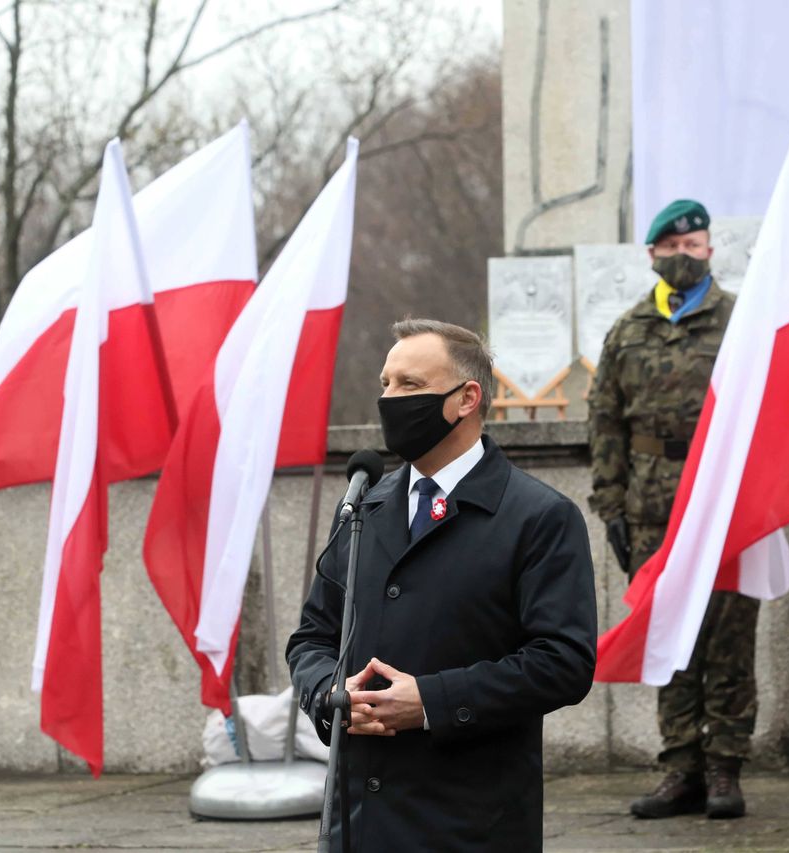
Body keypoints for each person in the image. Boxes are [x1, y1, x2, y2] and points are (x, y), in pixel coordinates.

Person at [287, 318, 598, 852]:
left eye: (409, 385)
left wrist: (431, 701)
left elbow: (563, 661)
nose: (389, 399)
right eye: (385, 383)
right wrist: (328, 694)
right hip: (359, 820)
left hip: (471, 823)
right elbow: (313, 637)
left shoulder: (538, 516)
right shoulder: (365, 506)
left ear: (466, 399)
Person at [588, 199, 759, 820]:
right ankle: (680, 767)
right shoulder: (627, 330)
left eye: (694, 247)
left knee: (728, 640)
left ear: (710, 251)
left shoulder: (742, 321)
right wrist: (610, 505)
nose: (683, 257)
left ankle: (724, 770)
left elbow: (770, 408)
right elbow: (605, 421)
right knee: (670, 640)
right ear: (653, 254)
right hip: (653, 507)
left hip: (724, 506)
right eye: (672, 248)